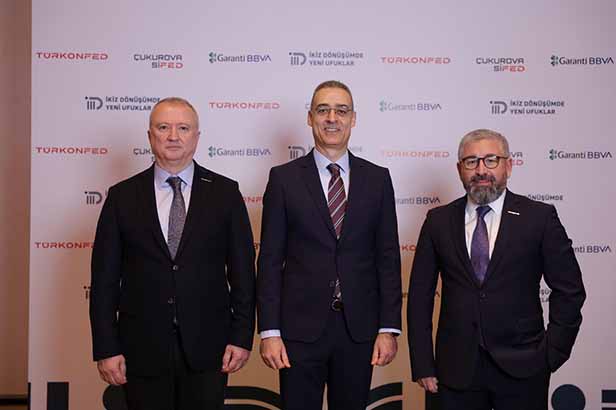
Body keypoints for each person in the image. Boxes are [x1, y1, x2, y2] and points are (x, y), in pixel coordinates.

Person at [89, 97, 256, 410]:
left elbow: (243, 274)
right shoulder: (122, 197)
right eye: (163, 127)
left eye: (183, 128)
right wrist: (106, 347)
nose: (173, 136)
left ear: (197, 136)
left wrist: (242, 336)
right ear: (150, 135)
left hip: (209, 348)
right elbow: (104, 281)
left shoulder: (225, 193)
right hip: (141, 348)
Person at [407, 128, 586, 410]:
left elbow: (570, 290)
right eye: (471, 161)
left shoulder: (539, 218)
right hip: (453, 371)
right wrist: (423, 363)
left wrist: (552, 353)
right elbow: (419, 298)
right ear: (459, 169)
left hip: (524, 368)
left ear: (509, 165)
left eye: (491, 160)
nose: (481, 170)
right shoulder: (438, 221)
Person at [257, 80, 402, 409]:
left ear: (353, 118)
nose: (332, 118)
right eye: (323, 110)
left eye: (341, 110)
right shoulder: (283, 179)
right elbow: (269, 261)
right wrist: (269, 331)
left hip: (359, 330)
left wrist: (388, 328)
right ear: (310, 117)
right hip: (298, 331)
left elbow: (388, 258)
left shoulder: (378, 179)